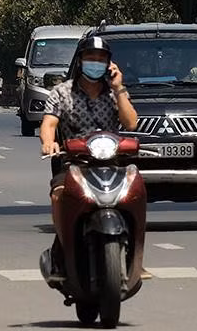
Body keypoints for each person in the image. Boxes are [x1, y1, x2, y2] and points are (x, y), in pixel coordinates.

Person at [38, 36, 138, 288]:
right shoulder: (61, 93)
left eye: (101, 59)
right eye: (91, 58)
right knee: (59, 195)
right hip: (73, 163)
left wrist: (119, 88)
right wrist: (49, 143)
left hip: (112, 163)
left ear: (109, 64)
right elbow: (49, 123)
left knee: (136, 192)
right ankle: (62, 252)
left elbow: (130, 123)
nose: (96, 63)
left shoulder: (115, 92)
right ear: (80, 61)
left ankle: (134, 256)